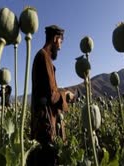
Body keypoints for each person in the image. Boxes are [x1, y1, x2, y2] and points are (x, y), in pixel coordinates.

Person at [28, 25, 75, 166]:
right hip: (45, 127)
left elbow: (49, 90)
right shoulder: (43, 57)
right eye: (60, 42)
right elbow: (52, 95)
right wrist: (66, 95)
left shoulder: (44, 58)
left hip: (45, 124)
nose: (60, 48)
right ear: (55, 39)